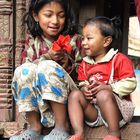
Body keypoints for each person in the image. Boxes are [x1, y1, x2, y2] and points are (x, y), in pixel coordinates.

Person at [10, 0, 84, 140]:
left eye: (61, 15)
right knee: (23, 70)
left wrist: (69, 64)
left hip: (70, 102)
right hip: (40, 99)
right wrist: (46, 57)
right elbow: (26, 69)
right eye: (48, 15)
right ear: (36, 16)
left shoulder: (74, 40)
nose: (55, 21)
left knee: (47, 66)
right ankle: (34, 126)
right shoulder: (33, 41)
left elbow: (85, 71)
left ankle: (62, 126)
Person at [68, 16, 137, 140]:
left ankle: (114, 134)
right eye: (83, 38)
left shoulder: (119, 59)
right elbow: (82, 82)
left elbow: (131, 83)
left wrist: (109, 87)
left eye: (89, 38)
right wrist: (84, 88)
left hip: (117, 112)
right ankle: (79, 133)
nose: (83, 42)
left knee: (103, 94)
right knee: (74, 95)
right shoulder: (85, 63)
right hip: (94, 112)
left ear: (106, 41)